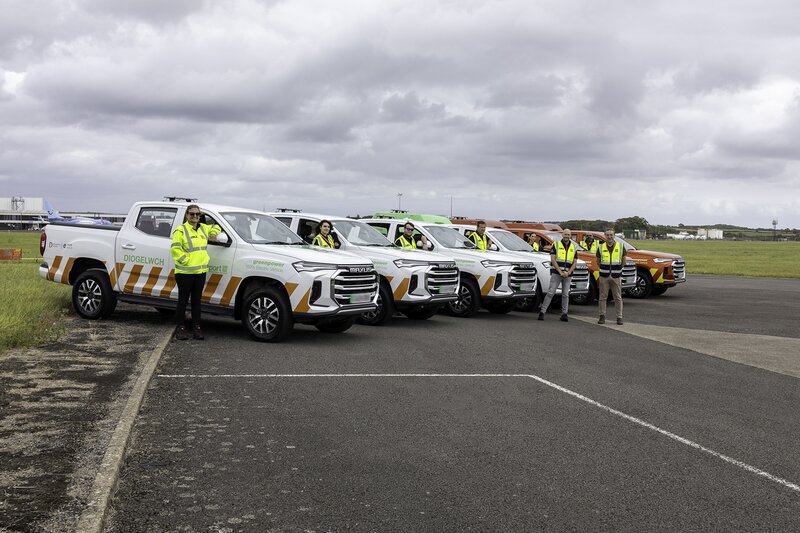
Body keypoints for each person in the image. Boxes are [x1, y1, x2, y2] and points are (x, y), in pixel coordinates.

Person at [171, 205, 221, 340]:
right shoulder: (180, 230)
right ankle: (180, 328)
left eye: (197, 214)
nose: (194, 216)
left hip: (200, 272)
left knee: (196, 302)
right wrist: (187, 260)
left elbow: (218, 225)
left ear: (200, 216)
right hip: (185, 273)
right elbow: (175, 249)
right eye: (192, 214)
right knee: (183, 301)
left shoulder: (204, 228)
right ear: (187, 215)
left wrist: (214, 233)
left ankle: (196, 328)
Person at [538, 229, 577, 322]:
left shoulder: (574, 247)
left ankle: (564, 314)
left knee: (565, 294)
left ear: (570, 236)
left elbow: (574, 262)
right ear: (562, 235)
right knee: (551, 292)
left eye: (568, 234)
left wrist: (568, 272)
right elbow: (553, 259)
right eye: (565, 234)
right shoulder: (556, 245)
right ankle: (542, 312)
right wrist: (560, 271)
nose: (567, 236)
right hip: (557, 272)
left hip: (568, 274)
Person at [596, 228, 627, 325]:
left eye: (611, 235)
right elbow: (598, 261)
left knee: (618, 297)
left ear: (614, 235)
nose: (609, 237)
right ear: (605, 236)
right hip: (604, 276)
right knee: (602, 297)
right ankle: (602, 316)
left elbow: (624, 261)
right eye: (607, 235)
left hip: (616, 276)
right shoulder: (600, 247)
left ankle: (619, 317)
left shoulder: (621, 247)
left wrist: (617, 269)